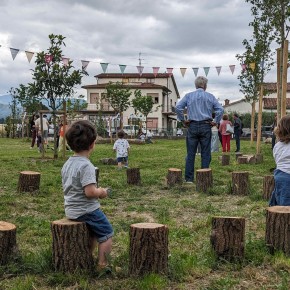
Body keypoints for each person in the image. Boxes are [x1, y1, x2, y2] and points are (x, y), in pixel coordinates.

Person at [61, 120, 113, 271]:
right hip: (86, 210)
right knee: (107, 234)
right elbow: (90, 192)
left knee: (91, 234)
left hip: (71, 209)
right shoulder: (86, 165)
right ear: (92, 144)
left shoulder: (68, 163)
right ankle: (102, 266)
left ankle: (86, 258)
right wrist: (101, 192)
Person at [175, 76, 224, 183]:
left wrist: (183, 120)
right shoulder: (210, 96)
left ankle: (189, 179)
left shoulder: (188, 96)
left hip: (192, 126)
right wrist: (215, 121)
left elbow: (178, 107)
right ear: (205, 86)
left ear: (195, 85)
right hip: (206, 125)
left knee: (190, 153)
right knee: (206, 153)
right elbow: (220, 109)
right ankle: (204, 178)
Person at [269, 115, 290, 206]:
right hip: (287, 176)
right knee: (286, 203)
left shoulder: (277, 146)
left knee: (281, 196)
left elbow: (277, 160)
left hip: (280, 175)